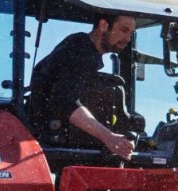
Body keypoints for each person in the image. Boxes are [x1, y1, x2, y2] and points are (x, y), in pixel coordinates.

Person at [27, 12, 139, 160]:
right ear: (104, 25)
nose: (128, 39)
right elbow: (64, 102)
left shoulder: (80, 47)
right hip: (54, 143)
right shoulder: (80, 51)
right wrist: (109, 138)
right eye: (124, 30)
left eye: (131, 33)